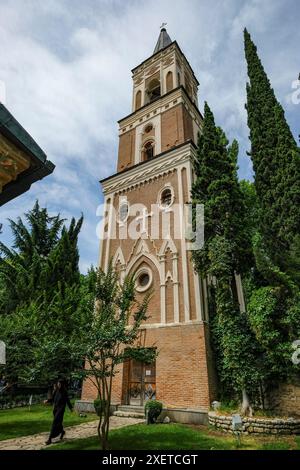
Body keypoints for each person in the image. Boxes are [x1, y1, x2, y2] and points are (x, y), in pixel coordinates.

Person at [45, 380, 73, 445]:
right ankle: (62, 431)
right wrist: (47, 400)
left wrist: (71, 408)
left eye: (60, 384)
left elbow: (67, 401)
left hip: (61, 410)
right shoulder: (56, 391)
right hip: (55, 409)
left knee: (54, 423)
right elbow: (52, 398)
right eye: (58, 384)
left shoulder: (64, 392)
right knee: (58, 423)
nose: (58, 385)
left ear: (62, 385)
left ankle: (50, 439)